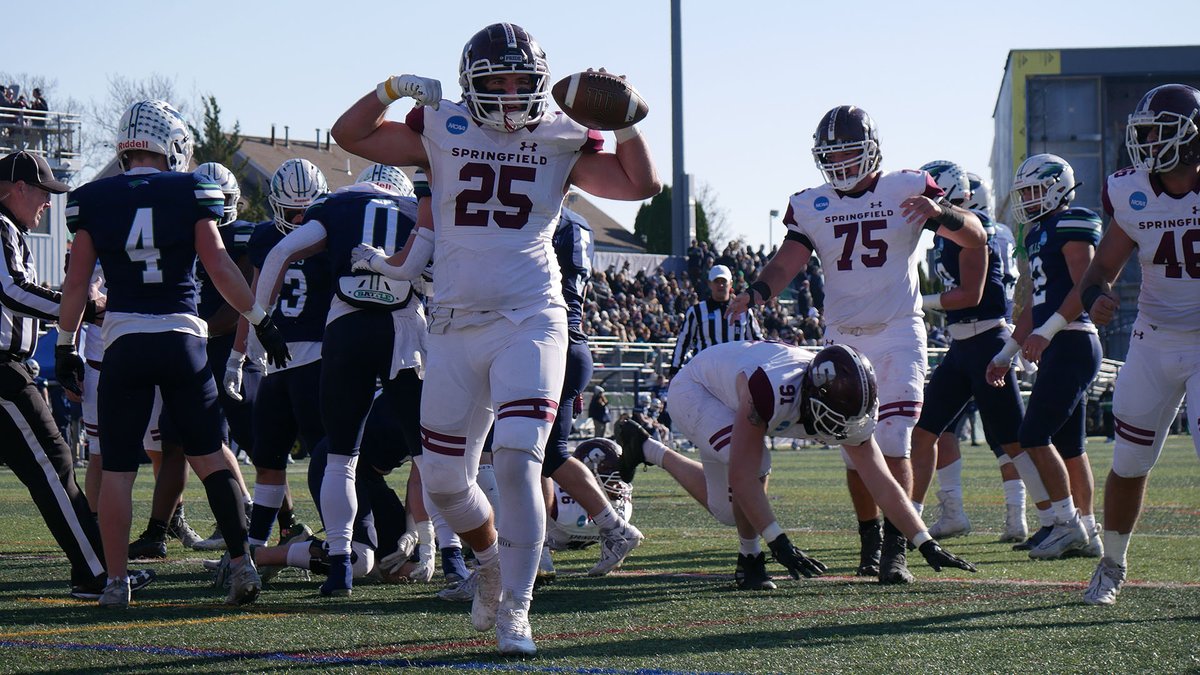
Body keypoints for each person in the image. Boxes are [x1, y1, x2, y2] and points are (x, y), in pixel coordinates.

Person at [332, 21, 660, 655]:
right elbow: (351, 135)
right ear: (470, 85)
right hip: (451, 324)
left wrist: (625, 121)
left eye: (522, 82)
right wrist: (390, 87)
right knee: (447, 482)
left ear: (540, 85)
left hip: (532, 316)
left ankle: (518, 606)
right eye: (496, 82)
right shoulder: (441, 125)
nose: (510, 95)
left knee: (517, 456)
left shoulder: (564, 134)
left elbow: (638, 185)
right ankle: (487, 561)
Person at [729, 105, 986, 584]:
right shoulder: (811, 203)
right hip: (843, 338)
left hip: (898, 331)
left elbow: (975, 236)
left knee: (893, 439)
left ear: (871, 151)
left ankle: (897, 549)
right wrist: (757, 292)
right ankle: (870, 538)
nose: (841, 165)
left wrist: (944, 212)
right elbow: (787, 263)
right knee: (856, 446)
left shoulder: (907, 187)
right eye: (832, 156)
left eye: (849, 153)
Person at [55, 100, 290, 608]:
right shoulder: (190, 190)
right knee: (210, 456)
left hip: (123, 342)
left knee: (117, 468)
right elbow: (221, 266)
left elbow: (76, 284)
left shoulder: (94, 198)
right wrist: (260, 320)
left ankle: (116, 583)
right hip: (183, 338)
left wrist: (65, 345)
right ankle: (241, 564)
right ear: (175, 147)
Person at [616, 341, 976, 590]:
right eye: (836, 417)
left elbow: (880, 479)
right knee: (755, 466)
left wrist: (923, 540)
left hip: (729, 389)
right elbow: (743, 475)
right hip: (697, 389)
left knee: (728, 510)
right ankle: (749, 560)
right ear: (814, 395)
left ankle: (647, 449)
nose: (842, 430)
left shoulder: (846, 396)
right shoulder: (772, 389)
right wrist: (777, 542)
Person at [248, 162, 426, 596]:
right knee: (433, 458)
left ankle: (331, 565)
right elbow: (429, 463)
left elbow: (277, 255)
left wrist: (258, 322)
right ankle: (260, 556)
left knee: (345, 462)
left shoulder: (336, 207)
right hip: (388, 354)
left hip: (344, 348)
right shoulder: (415, 216)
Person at [0, 149, 155, 600]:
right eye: (43, 193)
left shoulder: (10, 229)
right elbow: (10, 289)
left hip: (12, 367)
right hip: (3, 373)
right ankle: (95, 571)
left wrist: (71, 313)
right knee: (54, 465)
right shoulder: (1, 227)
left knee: (54, 466)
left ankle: (96, 567)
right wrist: (82, 308)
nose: (47, 203)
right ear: (19, 188)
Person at [1077, 83, 1200, 604]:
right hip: (1152, 338)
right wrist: (1096, 298)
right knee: (1128, 462)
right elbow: (1102, 268)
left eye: (1157, 132)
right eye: (1143, 133)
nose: (1147, 142)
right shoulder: (1131, 190)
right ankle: (1112, 564)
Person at [910, 161, 1035, 543]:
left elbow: (972, 294)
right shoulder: (954, 234)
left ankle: (1045, 515)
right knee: (930, 428)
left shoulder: (977, 233)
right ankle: (929, 516)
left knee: (1011, 438)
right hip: (963, 343)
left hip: (989, 338)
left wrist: (917, 300)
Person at [986, 153, 1103, 560]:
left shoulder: (1073, 222)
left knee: (1034, 435)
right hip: (1059, 342)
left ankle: (1066, 523)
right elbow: (1035, 305)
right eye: (1026, 191)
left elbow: (1086, 284)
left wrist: (1046, 332)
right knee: (1071, 446)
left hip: (1073, 339)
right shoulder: (1038, 233)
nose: (1030, 199)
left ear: (1058, 186)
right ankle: (1087, 530)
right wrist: (1006, 353)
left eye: (1036, 189)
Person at [670, 264, 762, 374]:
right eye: (716, 281)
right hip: (705, 374)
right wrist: (675, 369)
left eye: (724, 281)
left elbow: (757, 342)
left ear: (731, 284)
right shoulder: (696, 311)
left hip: (735, 374)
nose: (721, 285)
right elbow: (683, 342)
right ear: (709, 284)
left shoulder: (745, 311)